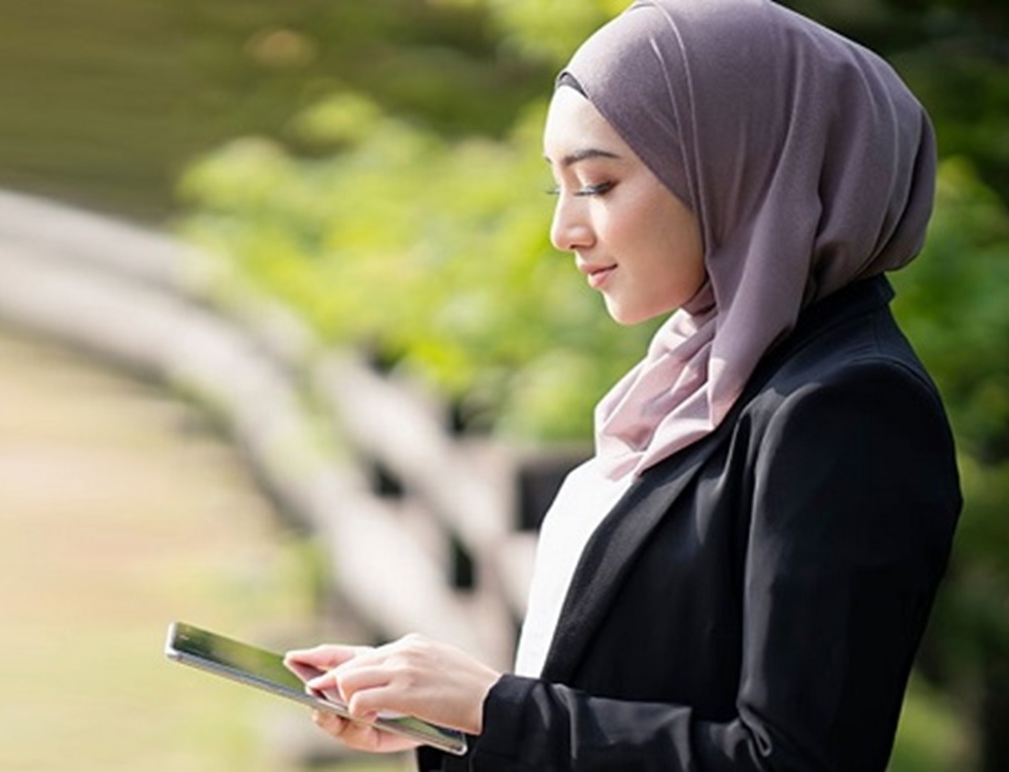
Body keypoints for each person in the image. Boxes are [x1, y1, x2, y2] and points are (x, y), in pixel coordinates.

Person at [284, 0, 962, 768]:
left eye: (598, 184)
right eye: (558, 189)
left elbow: (793, 760)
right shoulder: (702, 375)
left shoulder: (848, 407)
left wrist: (493, 708)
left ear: (737, 167)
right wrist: (449, 720)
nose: (563, 230)